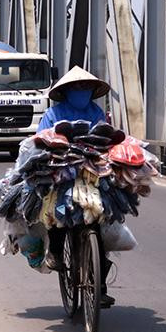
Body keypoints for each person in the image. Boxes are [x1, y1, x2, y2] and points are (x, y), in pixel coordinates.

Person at [37, 66, 116, 307]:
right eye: (77, 87)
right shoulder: (53, 114)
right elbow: (42, 139)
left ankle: (99, 286)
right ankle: (56, 253)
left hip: (91, 172)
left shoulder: (96, 112)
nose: (82, 91)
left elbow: (106, 138)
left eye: (86, 87)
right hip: (63, 172)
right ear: (68, 90)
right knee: (57, 212)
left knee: (99, 223)